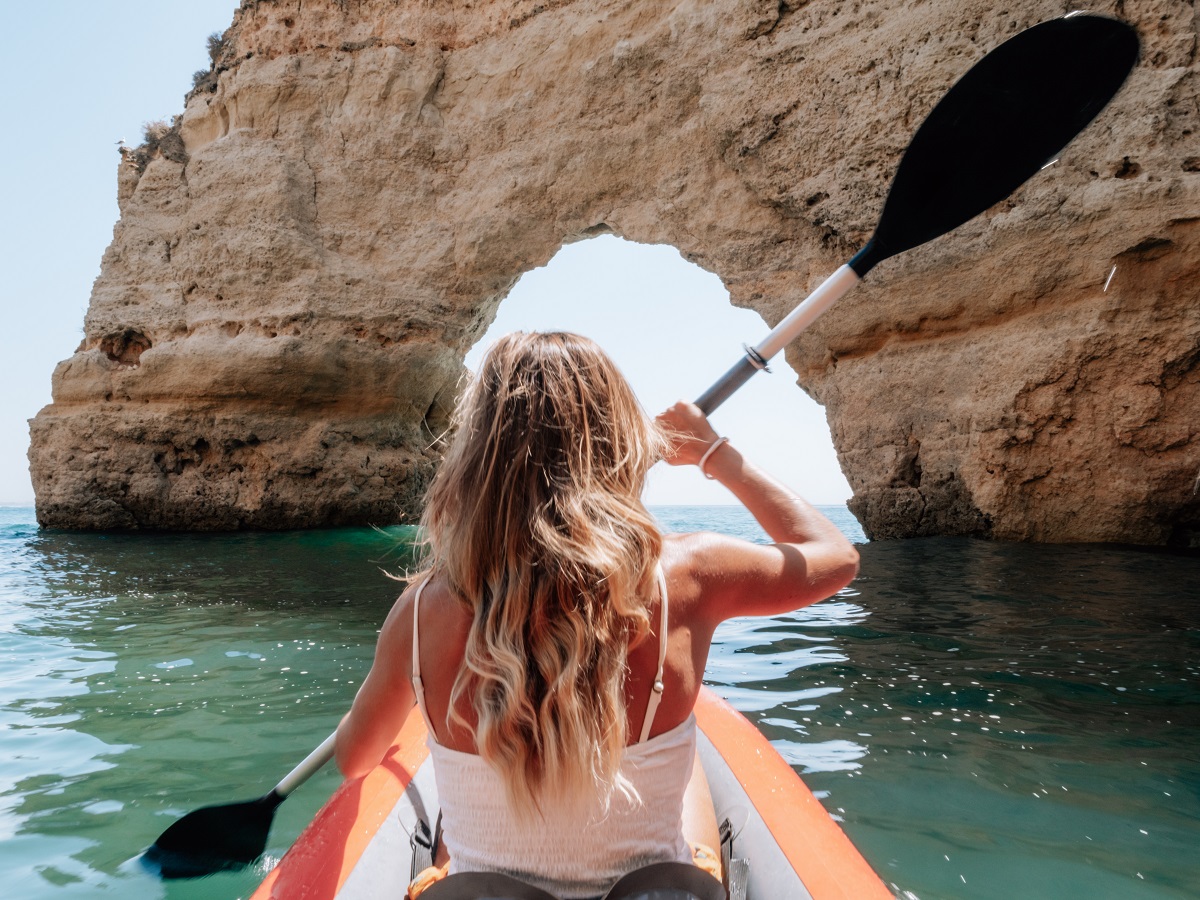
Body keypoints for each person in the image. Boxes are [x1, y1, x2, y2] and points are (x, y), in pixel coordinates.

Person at [335, 331, 859, 900]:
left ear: (476, 455)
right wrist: (714, 455)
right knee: (692, 751)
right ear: (621, 440)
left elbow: (355, 758)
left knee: (455, 824)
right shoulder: (690, 576)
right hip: (653, 892)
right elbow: (834, 558)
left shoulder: (421, 611)